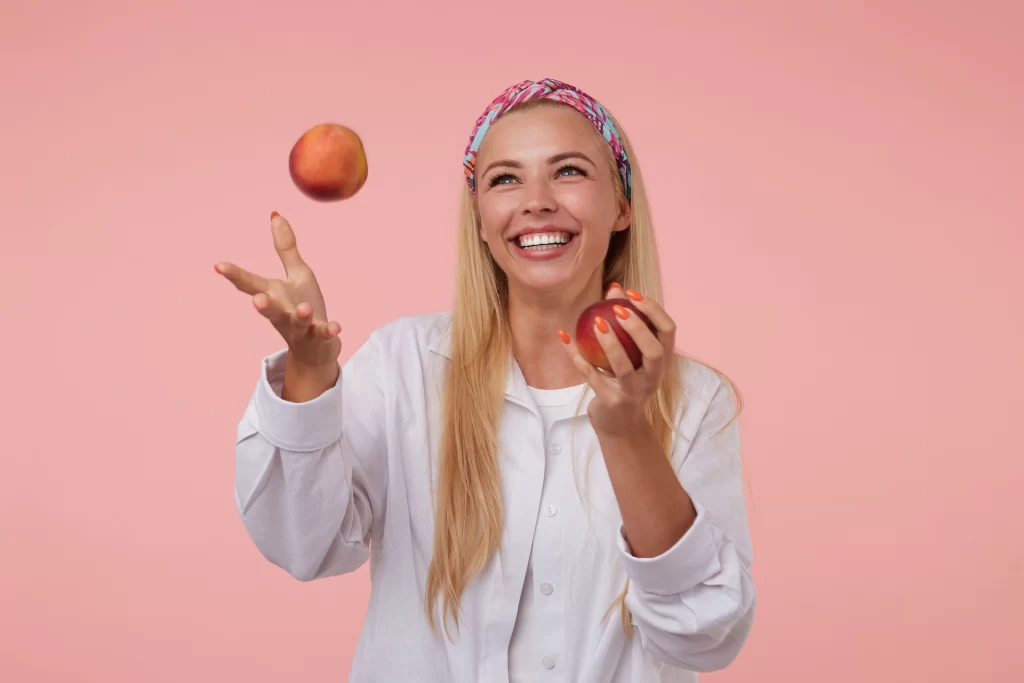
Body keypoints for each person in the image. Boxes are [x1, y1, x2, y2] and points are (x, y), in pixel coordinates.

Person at [215, 78, 755, 683]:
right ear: (479, 218)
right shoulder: (405, 366)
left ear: (622, 206)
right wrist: (311, 371)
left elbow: (705, 637)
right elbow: (302, 545)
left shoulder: (696, 401)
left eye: (569, 171)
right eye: (505, 179)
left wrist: (628, 431)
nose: (537, 201)